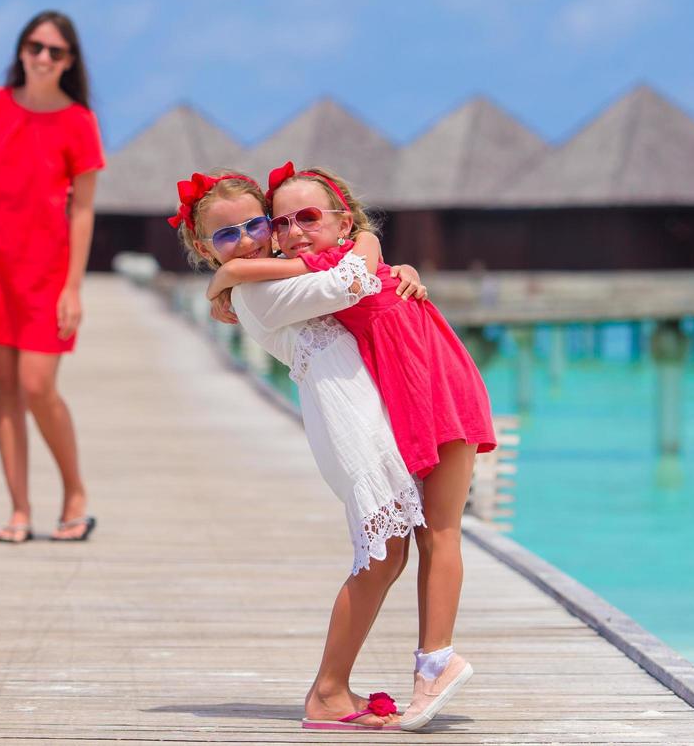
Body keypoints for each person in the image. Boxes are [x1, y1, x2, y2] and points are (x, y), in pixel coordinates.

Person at [206, 161, 495, 731]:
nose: (291, 231)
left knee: (438, 533)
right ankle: (410, 669)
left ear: (341, 219)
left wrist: (226, 275)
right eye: (281, 221)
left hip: (438, 388)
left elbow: (357, 273)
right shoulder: (301, 274)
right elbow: (349, 276)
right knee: (413, 542)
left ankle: (434, 662)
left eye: (305, 217)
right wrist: (228, 278)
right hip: (408, 400)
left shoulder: (338, 260)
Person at [173, 170, 427, 731]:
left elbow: (363, 286)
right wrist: (369, 238)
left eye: (255, 225)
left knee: (390, 553)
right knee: (381, 552)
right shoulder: (254, 291)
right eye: (226, 237)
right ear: (201, 246)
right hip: (345, 417)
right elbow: (351, 280)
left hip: (362, 407)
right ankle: (327, 692)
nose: (246, 240)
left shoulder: (255, 277)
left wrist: (398, 271)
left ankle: (334, 687)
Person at [0, 11, 104, 543]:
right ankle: (19, 510)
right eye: (34, 47)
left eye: (54, 51)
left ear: (69, 61)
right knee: (3, 390)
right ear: (21, 51)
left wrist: (73, 286)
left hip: (47, 275)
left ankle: (74, 491)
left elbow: (84, 210)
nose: (43, 58)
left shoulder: (78, 121)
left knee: (36, 386)